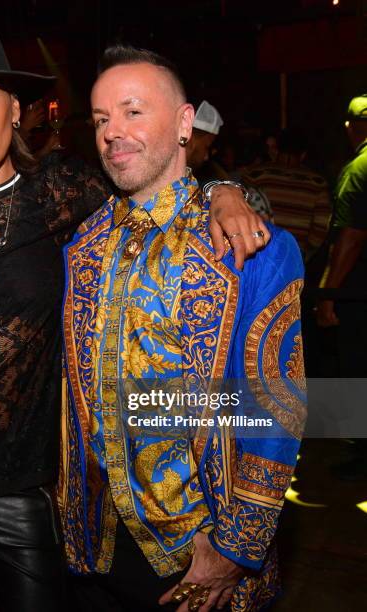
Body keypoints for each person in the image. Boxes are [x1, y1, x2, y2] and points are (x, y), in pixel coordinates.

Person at [0, 16, 268, 612]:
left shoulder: (67, 192)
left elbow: (153, 184)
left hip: (24, 490)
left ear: (17, 109)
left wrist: (223, 189)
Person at [59, 45, 305, 611]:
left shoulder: (252, 249)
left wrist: (234, 549)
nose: (112, 132)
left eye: (133, 111)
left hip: (198, 550)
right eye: (101, 120)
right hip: (94, 547)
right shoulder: (82, 246)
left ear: (185, 123)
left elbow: (276, 410)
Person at [316, 94, 367, 480]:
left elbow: (350, 237)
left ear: (351, 127)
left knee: (356, 364)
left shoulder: (357, 169)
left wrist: (328, 294)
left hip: (358, 290)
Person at [243, 128, 331, 261]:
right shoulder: (318, 184)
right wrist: (303, 254)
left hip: (259, 256)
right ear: (303, 154)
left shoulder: (255, 176)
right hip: (295, 258)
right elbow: (320, 229)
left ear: (276, 150)